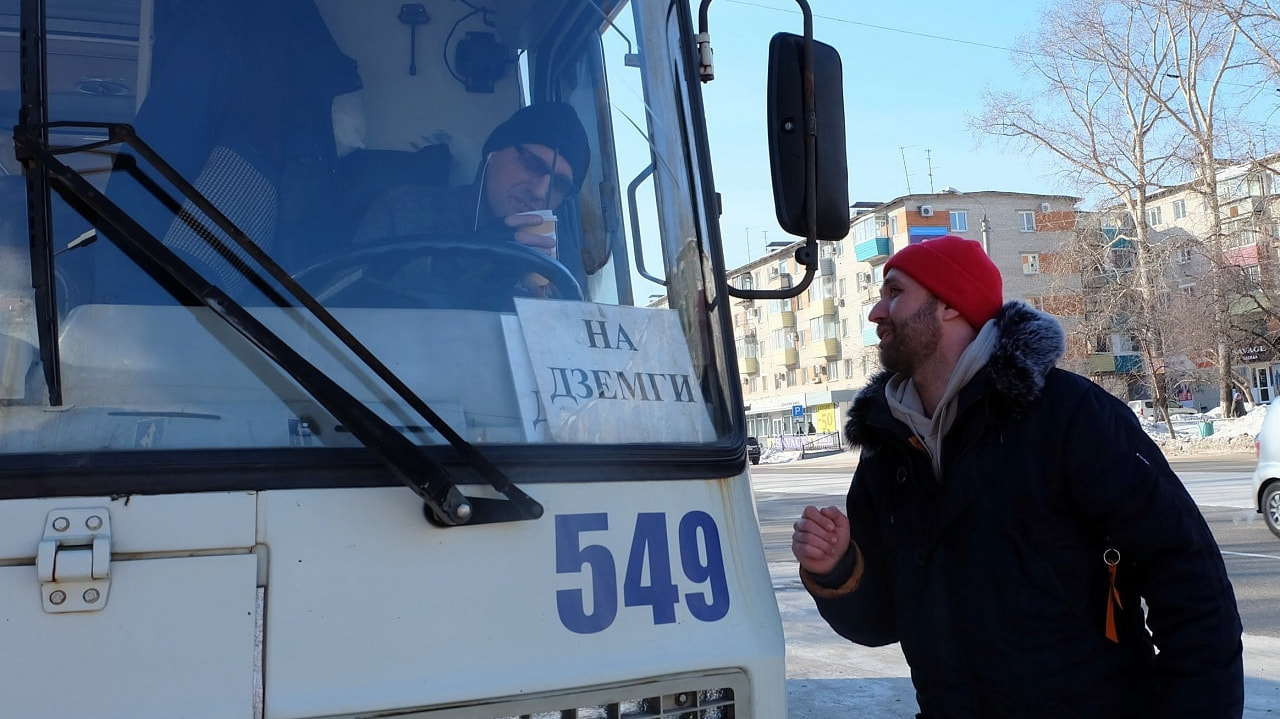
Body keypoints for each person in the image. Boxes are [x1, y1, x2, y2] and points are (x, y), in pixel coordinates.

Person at [790, 235, 1243, 718]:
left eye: (895, 293)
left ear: (948, 304)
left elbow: (1190, 580)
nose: (876, 313)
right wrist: (838, 569)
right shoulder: (888, 444)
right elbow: (881, 622)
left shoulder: (1069, 415)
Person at [354, 101, 590, 263]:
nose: (540, 192)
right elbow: (343, 300)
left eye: (558, 185)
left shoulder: (559, 253)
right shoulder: (401, 212)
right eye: (532, 164)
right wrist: (466, 263)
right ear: (492, 154)